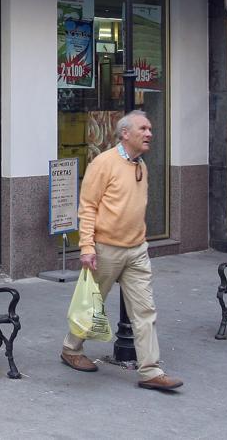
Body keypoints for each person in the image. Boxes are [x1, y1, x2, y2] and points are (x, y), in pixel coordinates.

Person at [60, 110, 183, 392]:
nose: (150, 133)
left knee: (145, 310)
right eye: (143, 128)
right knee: (92, 305)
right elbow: (88, 207)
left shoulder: (141, 165)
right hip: (106, 249)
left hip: (137, 250)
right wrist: (87, 247)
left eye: (150, 128)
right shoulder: (103, 163)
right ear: (125, 133)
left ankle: (150, 371)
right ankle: (71, 348)